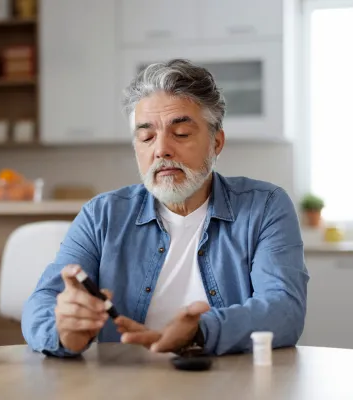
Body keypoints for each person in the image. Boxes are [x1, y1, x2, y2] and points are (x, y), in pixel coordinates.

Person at [21, 59, 309, 357]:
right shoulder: (101, 215)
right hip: (122, 383)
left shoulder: (265, 206)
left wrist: (200, 332)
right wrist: (64, 332)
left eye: (181, 133)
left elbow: (284, 309)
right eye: (146, 137)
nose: (161, 149)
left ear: (216, 142)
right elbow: (42, 302)